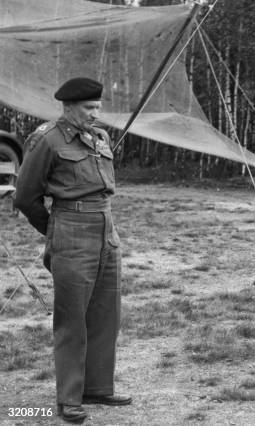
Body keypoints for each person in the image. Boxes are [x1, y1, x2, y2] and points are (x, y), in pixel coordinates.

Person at [14, 77, 131, 424]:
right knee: (72, 319)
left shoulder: (100, 137)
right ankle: (68, 398)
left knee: (105, 313)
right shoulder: (47, 139)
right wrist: (54, 230)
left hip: (106, 230)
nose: (96, 114)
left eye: (98, 107)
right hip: (71, 230)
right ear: (68, 107)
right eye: (90, 108)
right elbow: (25, 197)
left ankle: (97, 388)